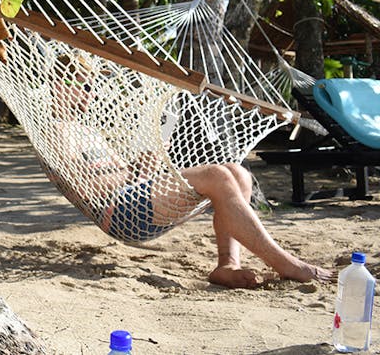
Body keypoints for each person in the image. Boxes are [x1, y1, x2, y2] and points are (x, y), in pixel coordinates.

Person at [50, 54, 333, 289]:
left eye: (91, 86)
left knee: (238, 173)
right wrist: (135, 176)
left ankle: (227, 264)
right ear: (60, 85)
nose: (92, 94)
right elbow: (87, 186)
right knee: (217, 177)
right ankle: (285, 263)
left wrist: (147, 159)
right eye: (84, 87)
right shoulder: (55, 134)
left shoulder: (87, 131)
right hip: (118, 211)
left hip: (133, 198)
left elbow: (123, 176)